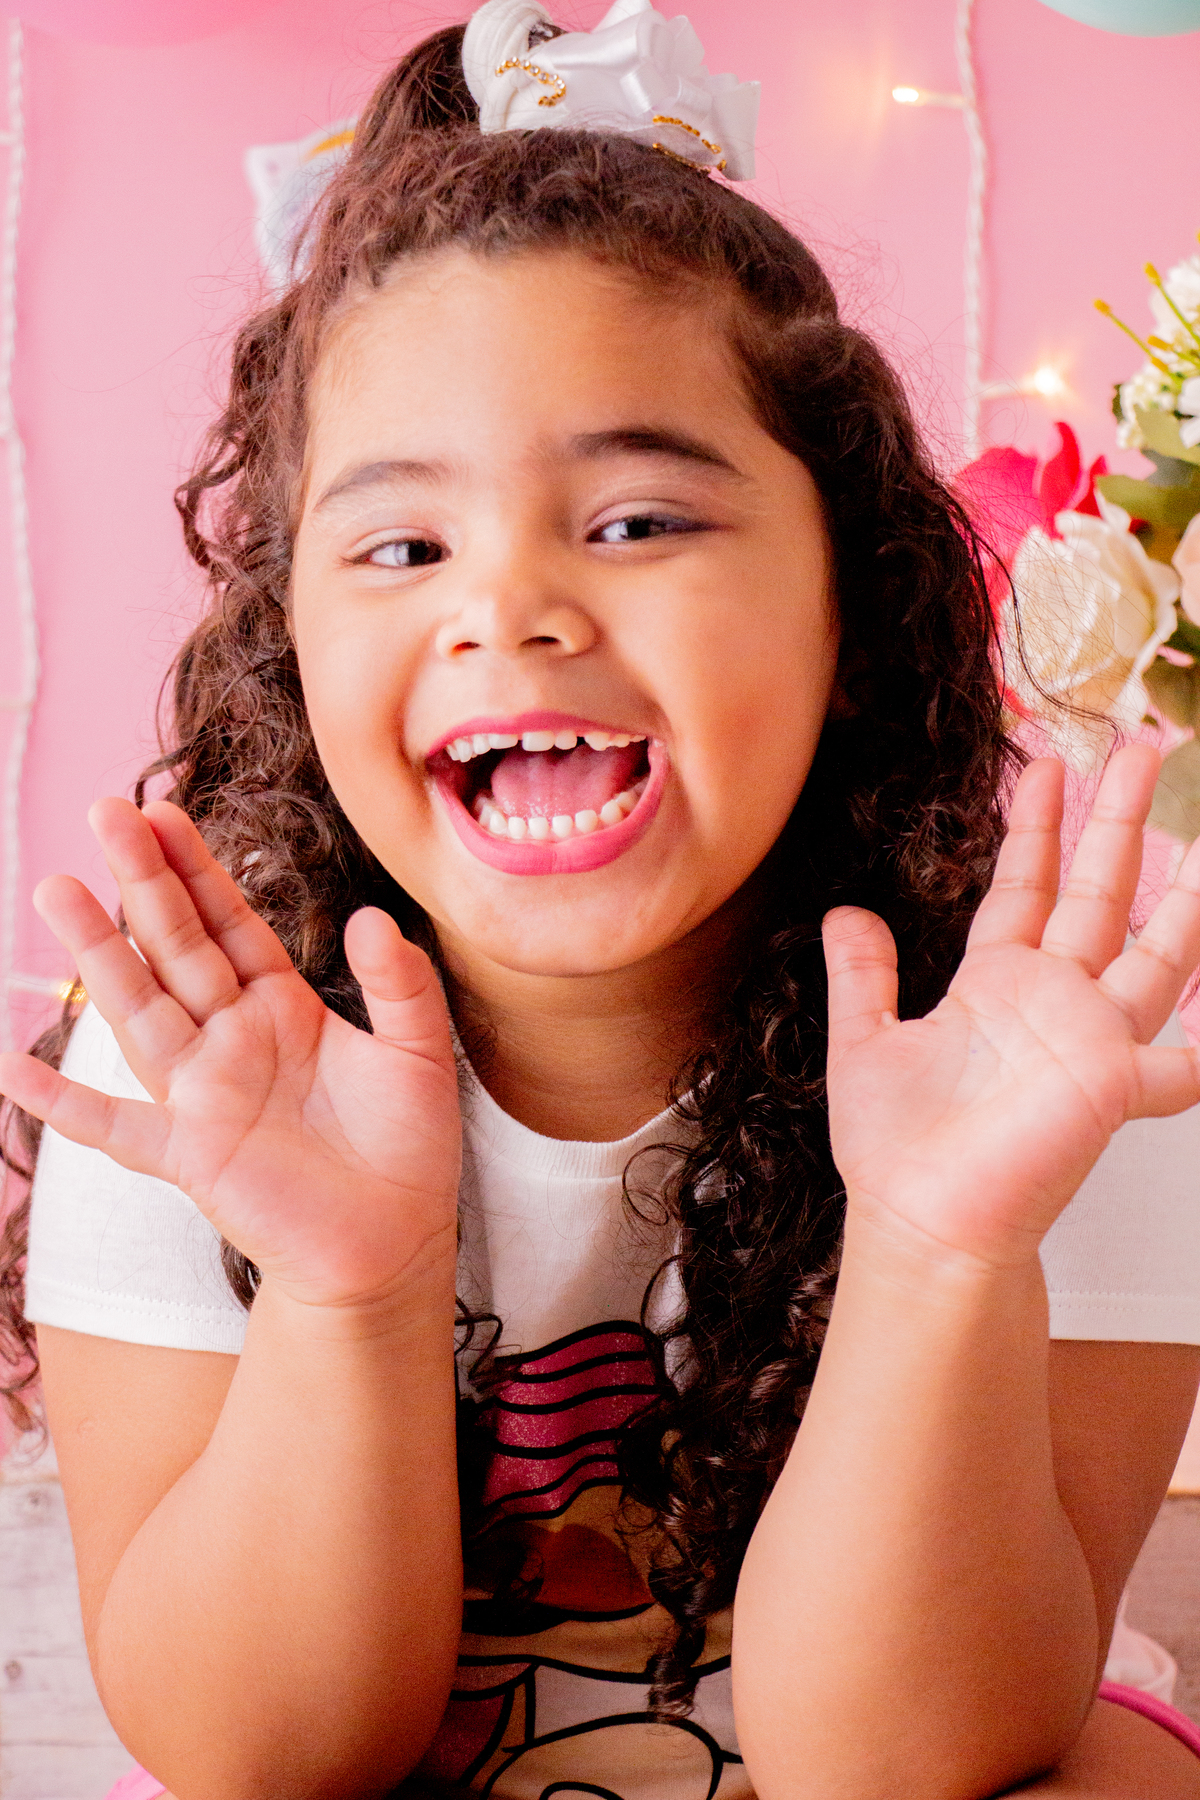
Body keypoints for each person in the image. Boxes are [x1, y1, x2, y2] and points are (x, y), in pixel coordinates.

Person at [3, 4, 1200, 1796]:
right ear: (287, 647)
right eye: (403, 545)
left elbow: (901, 1765)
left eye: (637, 521)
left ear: (854, 603)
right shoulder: (203, 1058)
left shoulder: (1036, 1056)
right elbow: (259, 1754)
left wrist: (944, 1250)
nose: (509, 608)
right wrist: (346, 1291)